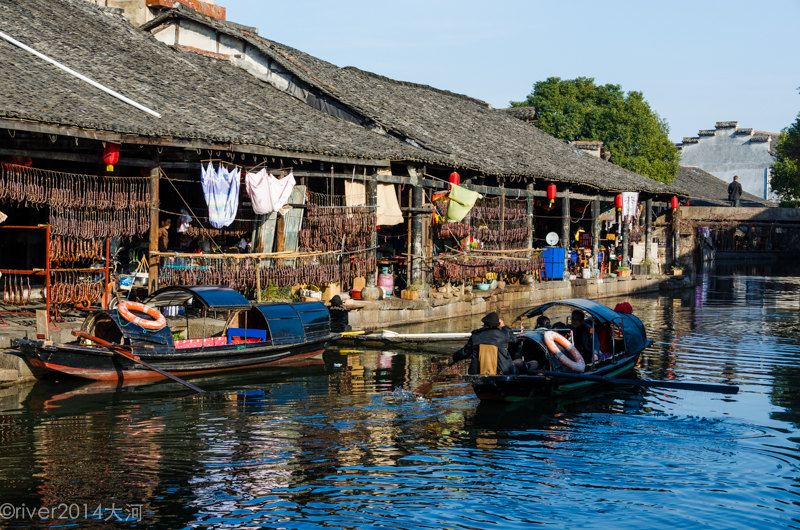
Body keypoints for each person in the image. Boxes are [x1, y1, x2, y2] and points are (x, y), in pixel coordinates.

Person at [452, 312, 521, 375]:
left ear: (485, 324)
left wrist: (454, 357)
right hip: (503, 372)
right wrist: (504, 327)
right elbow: (514, 340)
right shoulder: (503, 335)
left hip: (477, 373)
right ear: (497, 324)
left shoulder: (475, 336)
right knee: (518, 362)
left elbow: (465, 352)